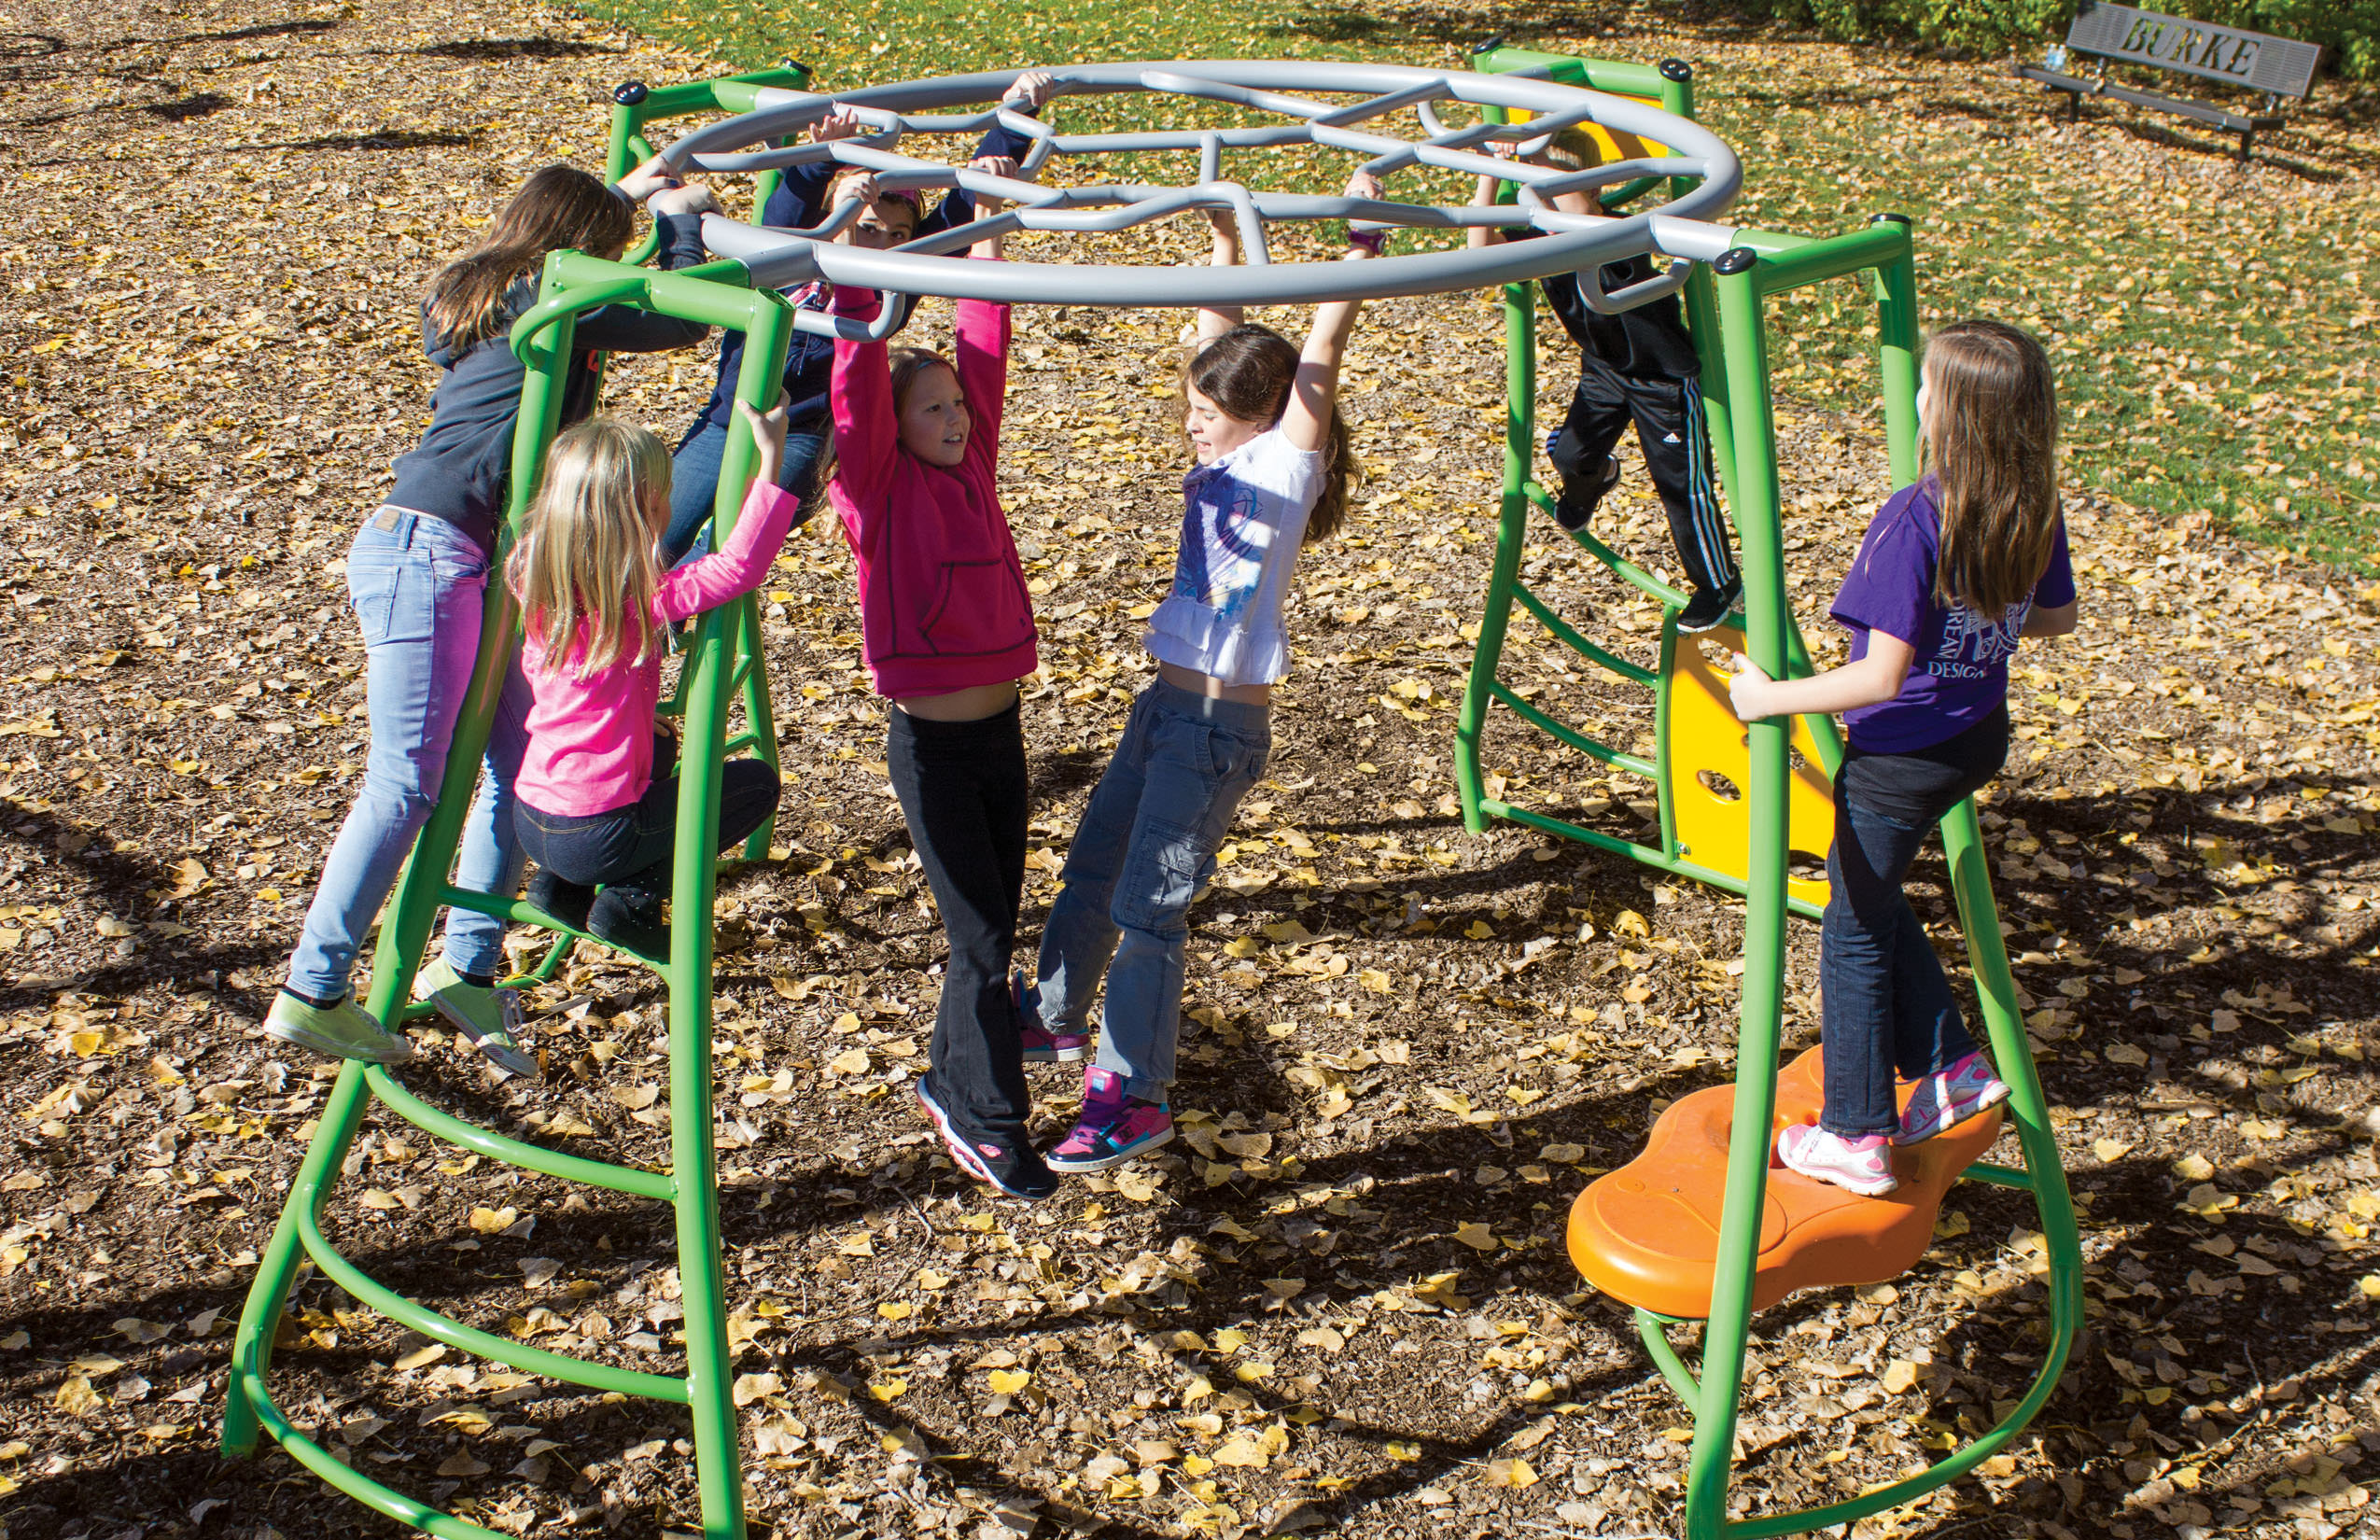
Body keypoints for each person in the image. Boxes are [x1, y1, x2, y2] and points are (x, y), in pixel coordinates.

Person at [264, 158, 720, 1072]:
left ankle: (467, 967)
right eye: (611, 245)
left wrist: (630, 191)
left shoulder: (495, 292)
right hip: (426, 551)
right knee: (407, 781)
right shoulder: (548, 300)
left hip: (472, 560)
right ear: (581, 250)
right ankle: (312, 988)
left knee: (522, 763)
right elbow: (677, 318)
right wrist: (683, 221)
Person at [1021, 174, 1379, 1174]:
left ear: (1261, 417)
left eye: (1206, 412)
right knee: (1094, 865)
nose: (1191, 424)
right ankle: (1048, 1016)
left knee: (1149, 910)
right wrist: (1224, 242)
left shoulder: (1281, 469)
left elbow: (1321, 354)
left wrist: (1359, 242)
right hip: (1165, 708)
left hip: (1216, 729)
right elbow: (1216, 332)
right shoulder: (1229, 450)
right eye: (1188, 406)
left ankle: (1133, 1095)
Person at [1726, 319, 2077, 1197]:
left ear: (1947, 414)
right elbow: (2055, 619)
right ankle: (1951, 1067)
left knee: (1849, 932)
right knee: (1871, 898)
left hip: (1897, 759)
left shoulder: (1916, 519)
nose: (1914, 397)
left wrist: (1766, 698)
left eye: (1925, 386)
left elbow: (1878, 679)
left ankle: (1854, 1133)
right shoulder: (2031, 503)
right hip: (1975, 740)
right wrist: (1984, 622)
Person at [825, 168, 1051, 1198]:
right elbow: (859, 383)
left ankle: (952, 1072)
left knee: (994, 922)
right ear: (894, 423)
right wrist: (860, 291)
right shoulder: (876, 488)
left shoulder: (977, 465)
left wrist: (988, 248)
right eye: (933, 409)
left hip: (1003, 733)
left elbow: (985, 347)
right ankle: (992, 1121)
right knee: (983, 936)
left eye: (958, 405)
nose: (956, 417)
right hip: (932, 745)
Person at [660, 72, 1057, 564]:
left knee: (726, 546)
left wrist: (1014, 122)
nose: (883, 245)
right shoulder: (791, 251)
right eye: (869, 229)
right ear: (839, 219)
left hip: (807, 435)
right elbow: (786, 212)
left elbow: (958, 211)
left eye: (898, 235)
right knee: (655, 537)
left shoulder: (896, 278)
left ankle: (667, 626)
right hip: (728, 417)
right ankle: (621, 628)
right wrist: (819, 162)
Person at [507, 406, 796, 959]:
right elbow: (737, 567)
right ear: (643, 512)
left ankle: (558, 890)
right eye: (663, 494)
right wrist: (771, 458)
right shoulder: (635, 603)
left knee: (661, 743)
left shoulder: (538, 586)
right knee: (757, 785)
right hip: (599, 835)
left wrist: (636, 722)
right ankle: (628, 903)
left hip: (536, 818)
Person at [1469, 132, 1740, 632]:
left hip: (1662, 379)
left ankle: (1718, 583)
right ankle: (1592, 480)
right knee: (1569, 453)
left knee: (1681, 486)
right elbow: (1476, 252)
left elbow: (1648, 221)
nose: (1546, 204)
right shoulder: (1544, 235)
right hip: (1604, 368)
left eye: (1557, 191)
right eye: (1536, 192)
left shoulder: (1622, 232)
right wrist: (1491, 171)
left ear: (1596, 190)